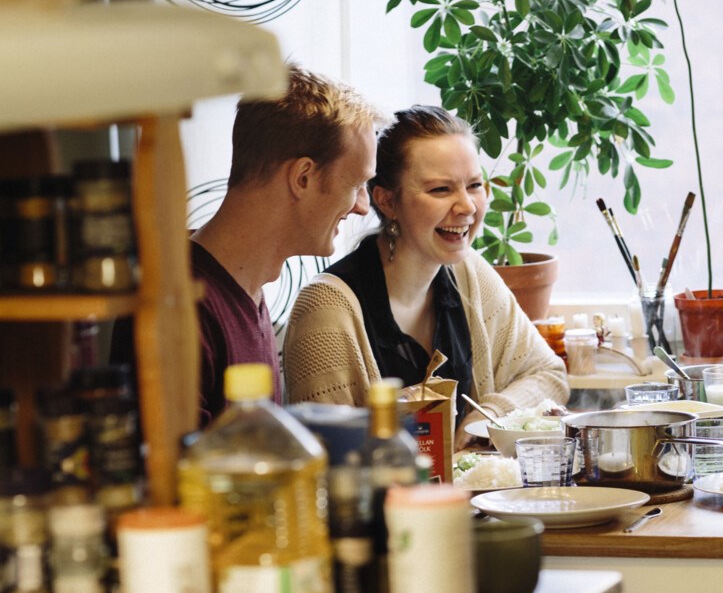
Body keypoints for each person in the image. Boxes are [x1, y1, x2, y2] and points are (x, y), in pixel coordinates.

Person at [281, 106, 568, 439]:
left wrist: (487, 416)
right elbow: (330, 465)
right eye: (440, 190)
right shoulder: (326, 311)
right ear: (387, 201)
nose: (468, 207)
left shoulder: (469, 272)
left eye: (474, 185)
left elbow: (549, 374)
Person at [185, 63, 382, 424]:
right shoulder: (184, 307)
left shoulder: (248, 288)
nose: (363, 206)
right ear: (303, 177)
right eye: (356, 185)